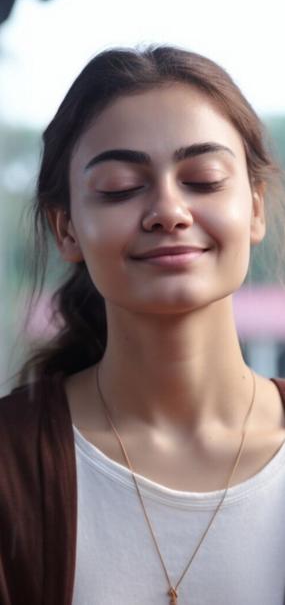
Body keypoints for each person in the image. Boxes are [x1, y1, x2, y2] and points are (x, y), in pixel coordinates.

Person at [1, 45, 285, 605]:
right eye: (119, 188)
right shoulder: (12, 463)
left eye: (203, 179)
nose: (169, 210)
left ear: (255, 210)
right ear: (67, 230)